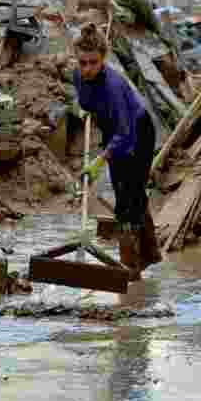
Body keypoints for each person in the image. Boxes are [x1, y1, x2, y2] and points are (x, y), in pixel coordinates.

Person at [74, 24, 161, 280]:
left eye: (93, 62)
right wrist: (85, 108)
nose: (87, 68)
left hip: (138, 132)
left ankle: (130, 271)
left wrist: (99, 160)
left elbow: (125, 134)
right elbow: (85, 101)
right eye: (82, 62)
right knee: (127, 192)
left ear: (103, 59)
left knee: (127, 199)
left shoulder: (113, 85)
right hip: (114, 129)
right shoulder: (78, 76)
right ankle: (150, 254)